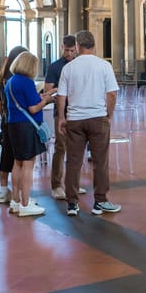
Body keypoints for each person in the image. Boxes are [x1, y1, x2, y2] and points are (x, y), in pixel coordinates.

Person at [56, 30, 121, 217]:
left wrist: (61, 117)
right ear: (94, 45)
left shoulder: (69, 68)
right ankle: (100, 202)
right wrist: (108, 115)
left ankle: (72, 204)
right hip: (97, 117)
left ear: (77, 46)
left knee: (73, 162)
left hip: (75, 119)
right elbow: (112, 94)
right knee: (100, 162)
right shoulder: (104, 66)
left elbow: (61, 95)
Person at [5, 51, 55, 217]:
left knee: (17, 163)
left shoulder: (11, 81)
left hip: (13, 124)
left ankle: (16, 200)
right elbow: (33, 108)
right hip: (26, 126)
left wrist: (42, 96)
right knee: (28, 164)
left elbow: (27, 101)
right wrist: (47, 100)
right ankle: (25, 204)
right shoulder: (26, 81)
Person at [44, 35, 78, 200]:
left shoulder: (79, 65)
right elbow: (48, 90)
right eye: (66, 50)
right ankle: (56, 185)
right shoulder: (54, 67)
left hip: (78, 111)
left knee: (76, 150)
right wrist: (63, 87)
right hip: (61, 112)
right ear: (61, 48)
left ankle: (72, 184)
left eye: (72, 51)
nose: (69, 54)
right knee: (60, 148)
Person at [0, 46, 28, 207]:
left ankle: (2, 190)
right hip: (18, 121)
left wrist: (3, 116)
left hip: (6, 120)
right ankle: (20, 192)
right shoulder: (19, 79)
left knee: (5, 154)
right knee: (19, 158)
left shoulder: (2, 78)